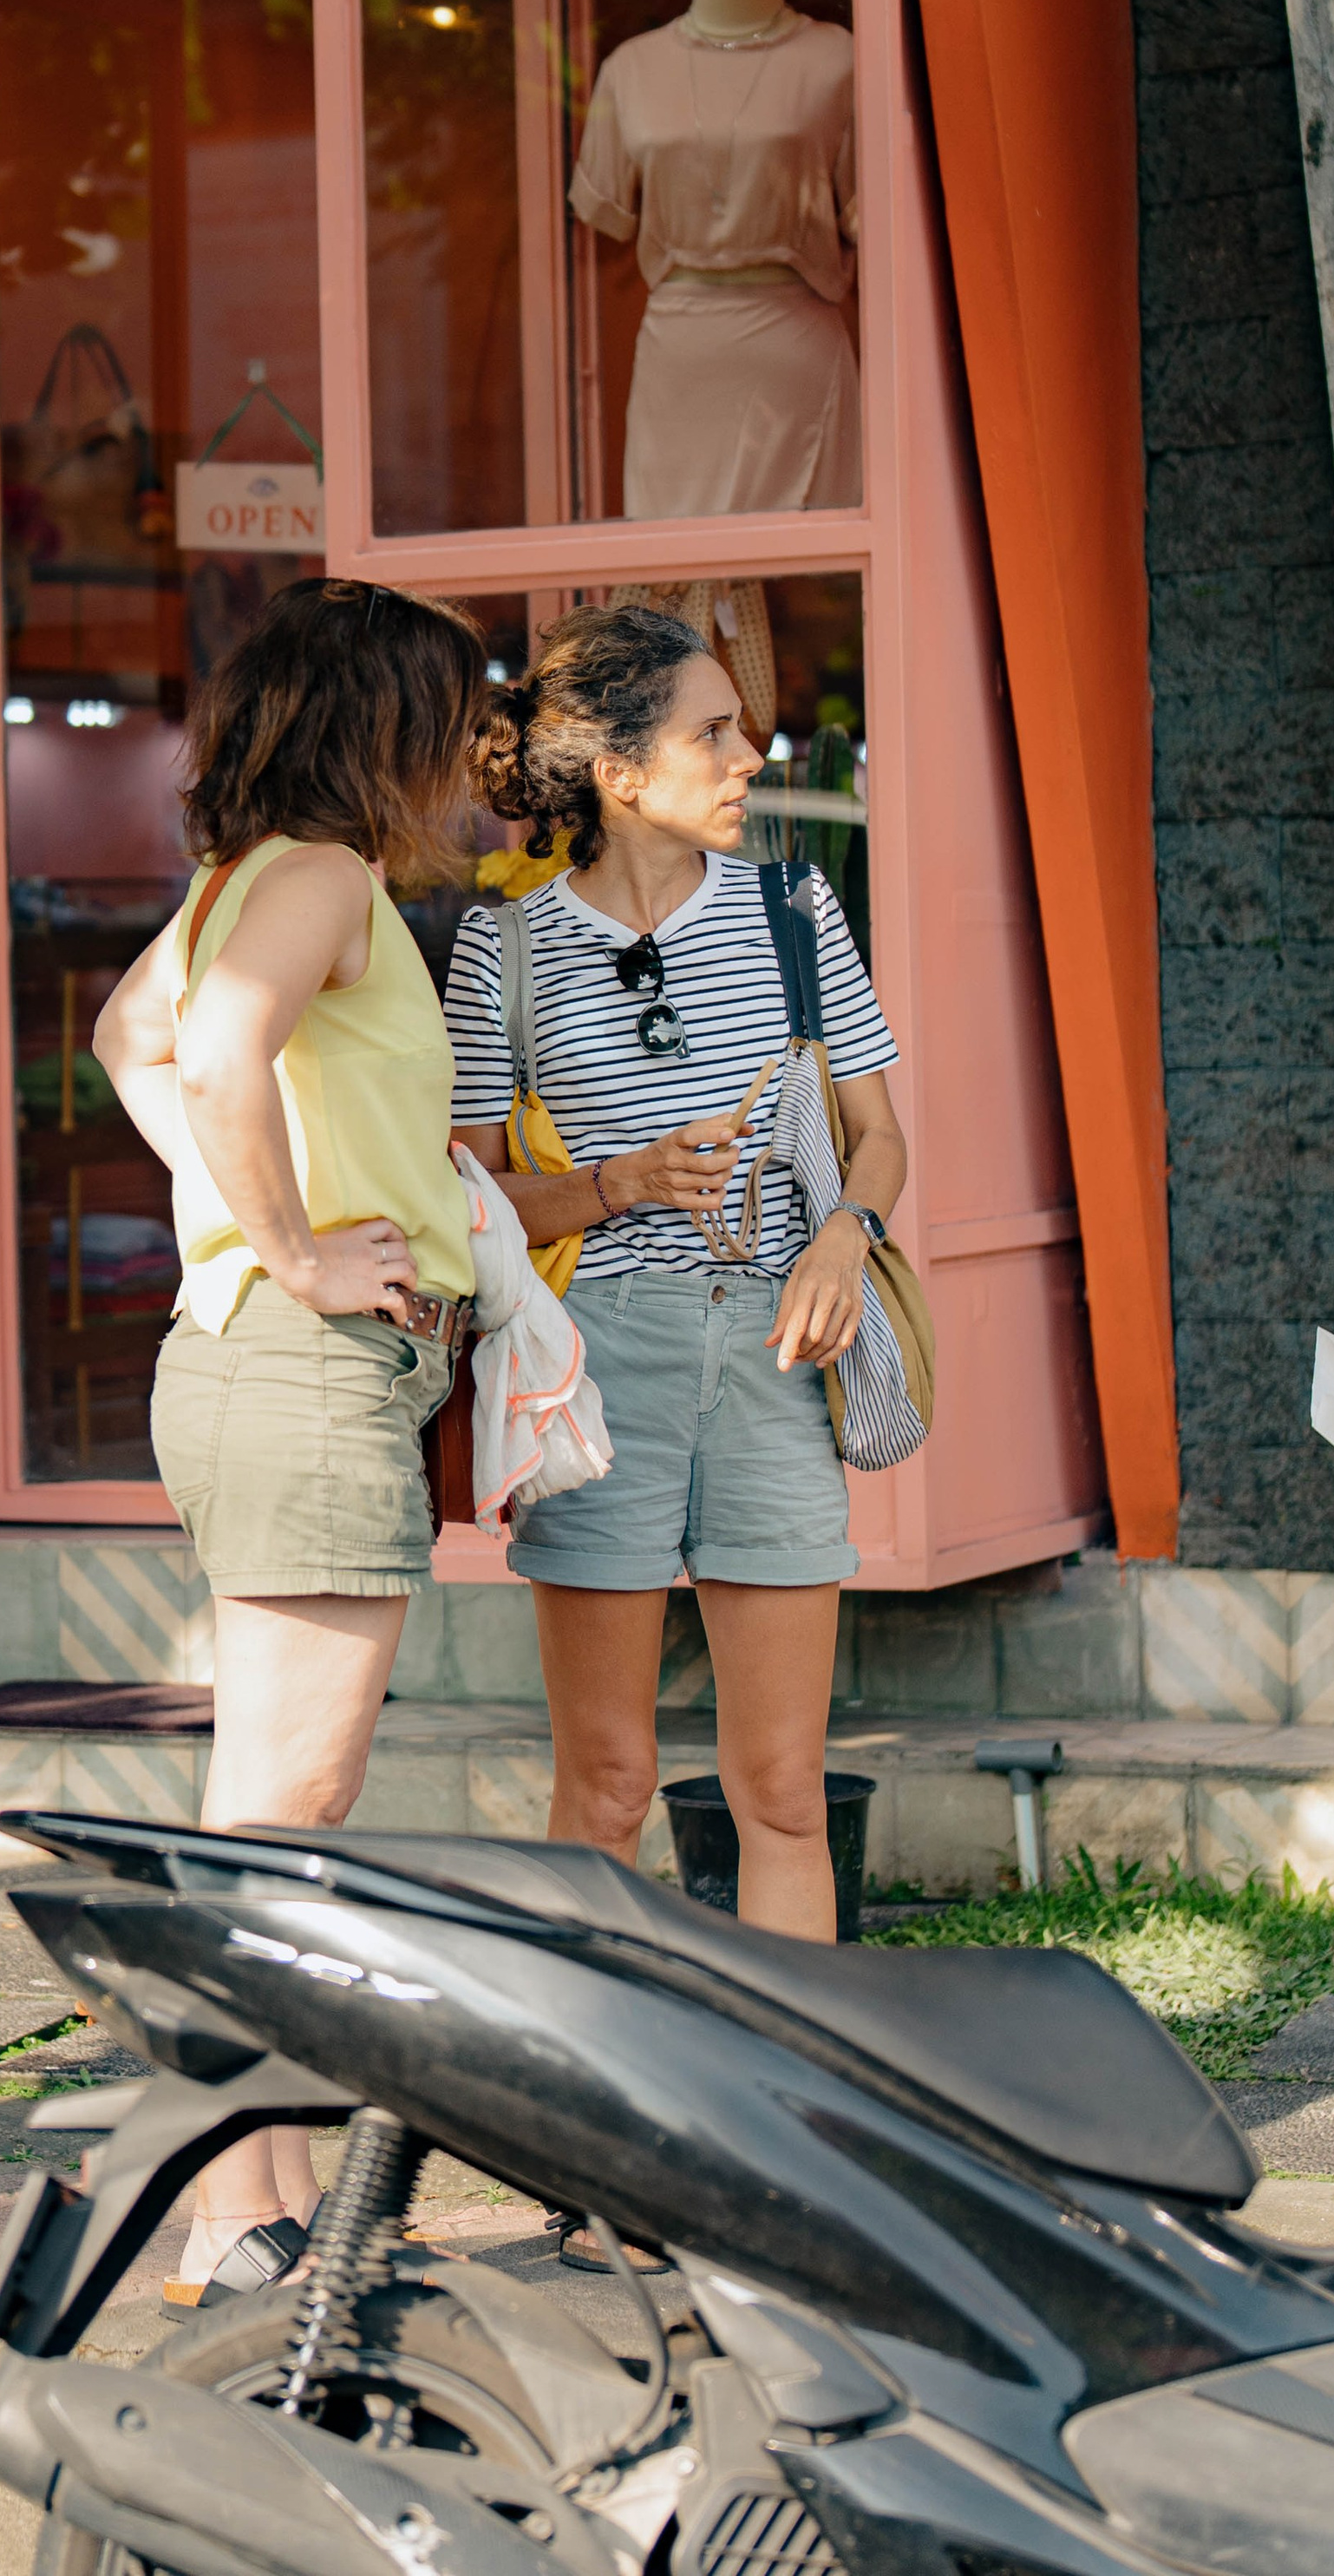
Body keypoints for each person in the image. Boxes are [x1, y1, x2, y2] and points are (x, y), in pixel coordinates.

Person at [94, 575, 486, 2311]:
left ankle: (258, 2195)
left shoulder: (236, 885)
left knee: (261, 1809)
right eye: (448, 721)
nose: (468, 758)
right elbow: (217, 1054)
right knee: (283, 1816)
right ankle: (230, 2210)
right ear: (378, 729)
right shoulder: (315, 879)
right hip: (302, 1375)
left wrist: (231, 1219)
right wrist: (293, 1243)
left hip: (270, 1369)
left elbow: (134, 1039)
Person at [445, 605, 907, 1959]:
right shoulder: (505, 951)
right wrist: (619, 1183)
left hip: (778, 1354)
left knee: (781, 1791)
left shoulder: (793, 910)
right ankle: (575, 2099)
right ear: (618, 772)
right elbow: (466, 1204)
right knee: (607, 1785)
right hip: (601, 1367)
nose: (749, 753)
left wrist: (844, 1240)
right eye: (714, 730)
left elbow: (879, 1135)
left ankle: (799, 2116)